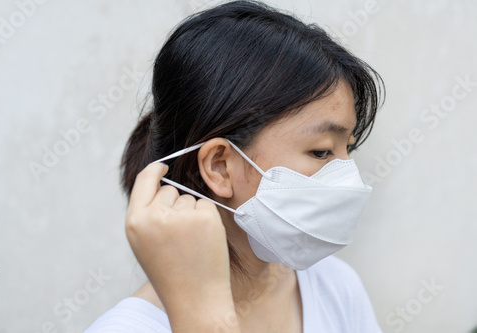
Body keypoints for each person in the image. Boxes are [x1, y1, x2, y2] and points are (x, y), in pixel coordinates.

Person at [85, 0, 385, 332]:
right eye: (321, 152)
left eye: (349, 149)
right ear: (219, 166)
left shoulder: (336, 288)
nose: (350, 178)